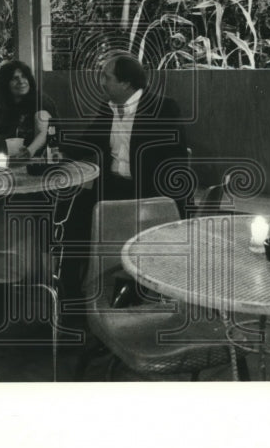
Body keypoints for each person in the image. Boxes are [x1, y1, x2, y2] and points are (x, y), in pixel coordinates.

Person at [59, 52, 191, 297]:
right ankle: (71, 295)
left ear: (126, 83)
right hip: (112, 187)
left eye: (106, 77)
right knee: (73, 212)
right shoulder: (108, 108)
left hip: (147, 192)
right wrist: (59, 147)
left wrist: (162, 203)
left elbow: (175, 164)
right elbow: (90, 142)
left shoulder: (163, 108)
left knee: (99, 219)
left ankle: (133, 288)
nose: (101, 82)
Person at [0, 60, 57, 159]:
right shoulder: (8, 108)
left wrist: (29, 151)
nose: (21, 81)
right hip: (18, 162)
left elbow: (43, 132)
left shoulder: (40, 100)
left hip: (44, 161)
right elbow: (0, 136)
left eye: (24, 76)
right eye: (15, 78)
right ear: (6, 84)